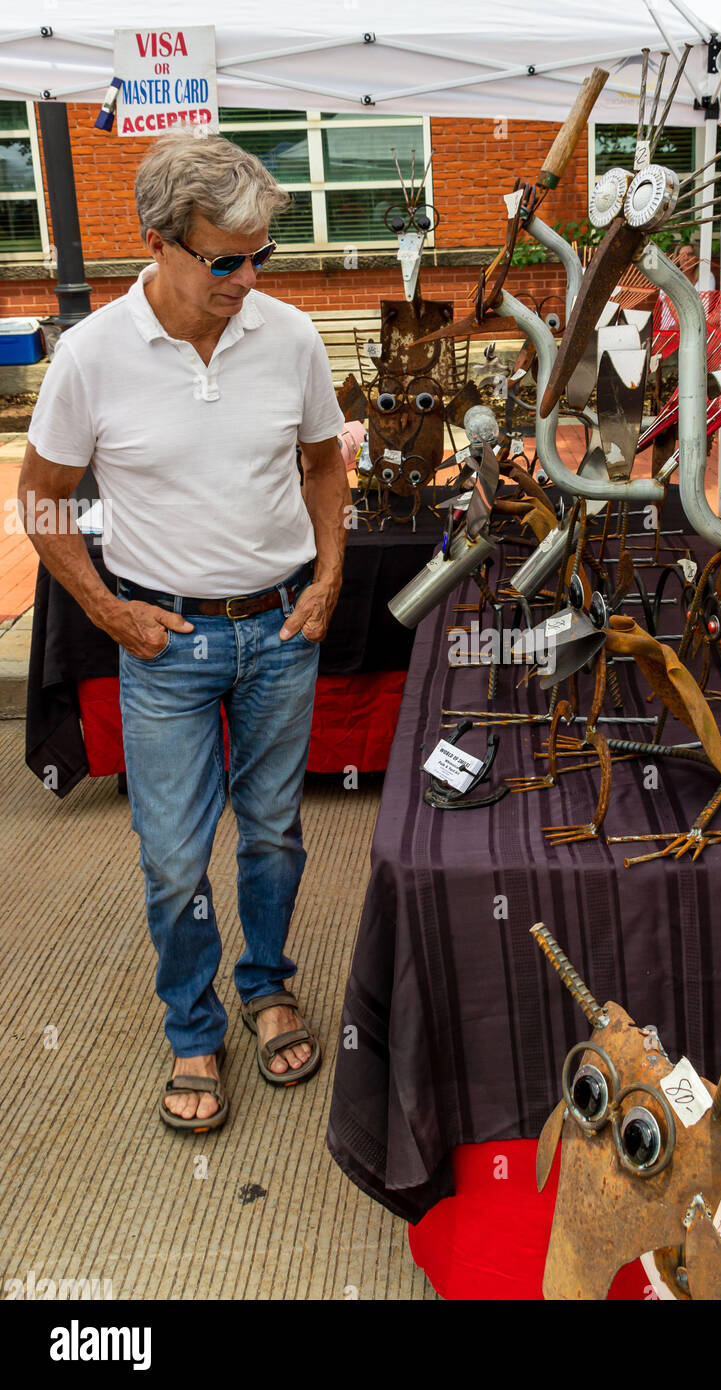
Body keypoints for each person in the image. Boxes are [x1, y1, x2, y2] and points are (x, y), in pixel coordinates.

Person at [19, 132, 352, 1133]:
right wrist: (109, 609)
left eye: (261, 257)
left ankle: (264, 984)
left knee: (274, 834)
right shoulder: (90, 357)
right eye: (225, 260)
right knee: (171, 857)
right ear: (159, 242)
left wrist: (330, 575)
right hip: (165, 646)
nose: (247, 278)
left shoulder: (287, 337)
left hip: (281, 629)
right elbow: (40, 502)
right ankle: (192, 1021)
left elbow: (326, 463)